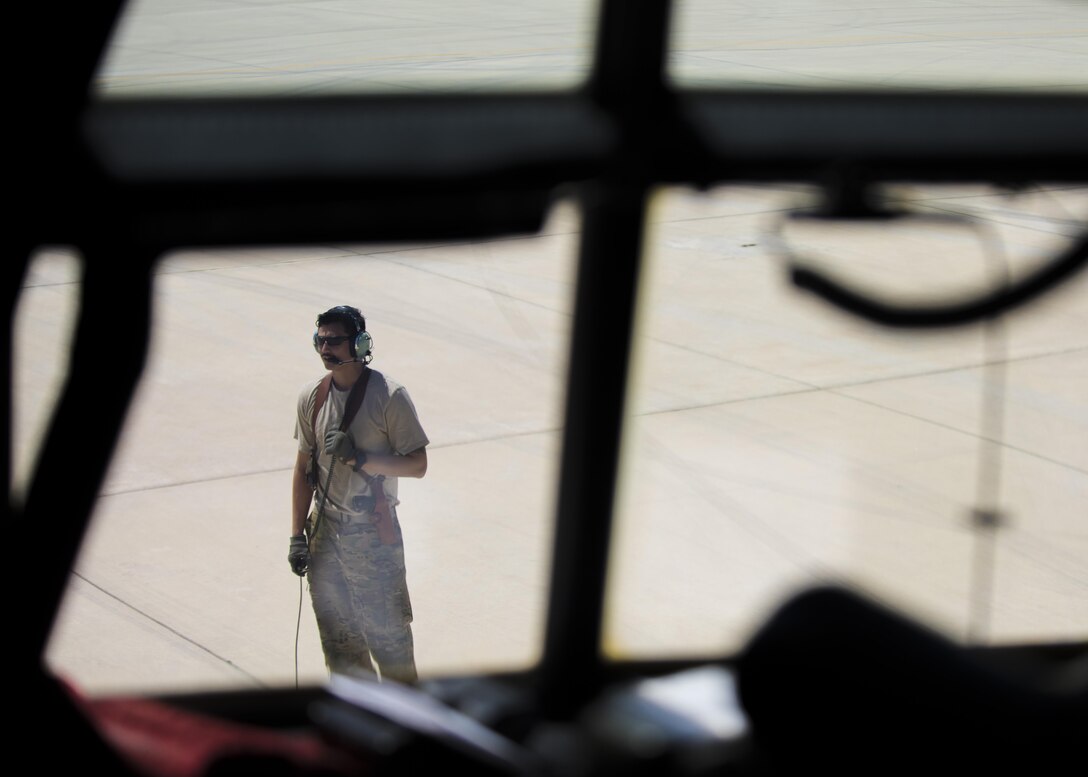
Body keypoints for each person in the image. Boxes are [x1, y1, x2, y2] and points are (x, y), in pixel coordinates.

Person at [288, 305, 429, 682]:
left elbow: (417, 465)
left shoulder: (389, 396)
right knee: (340, 642)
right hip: (325, 533)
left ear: (360, 343)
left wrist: (363, 459)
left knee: (389, 640)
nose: (325, 349)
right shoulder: (312, 397)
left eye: (334, 341)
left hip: (371, 531)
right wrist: (296, 535)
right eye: (319, 341)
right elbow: (303, 472)